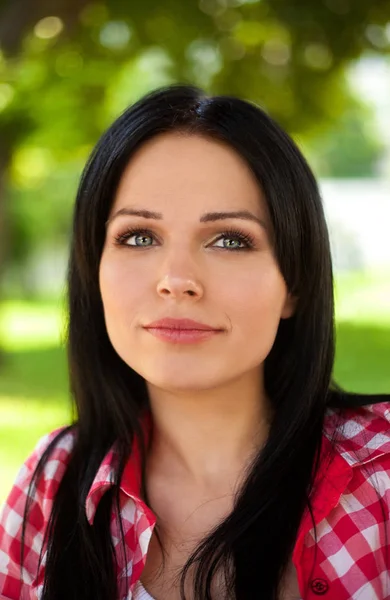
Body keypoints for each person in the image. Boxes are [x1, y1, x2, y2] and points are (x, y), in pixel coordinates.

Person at [0, 84, 389, 600]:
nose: (176, 279)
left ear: (293, 283)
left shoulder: (381, 469)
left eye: (230, 239)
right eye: (138, 236)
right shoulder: (52, 480)